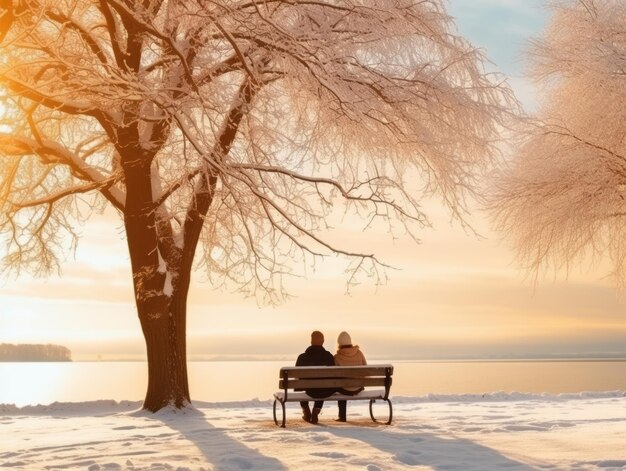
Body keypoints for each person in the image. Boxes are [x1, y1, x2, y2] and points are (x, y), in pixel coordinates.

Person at [295, 330, 336, 424]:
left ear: (311, 341)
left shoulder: (302, 357)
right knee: (323, 385)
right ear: (323, 341)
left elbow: (297, 377)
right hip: (324, 390)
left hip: (308, 389)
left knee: (301, 384)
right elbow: (332, 375)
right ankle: (315, 413)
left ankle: (306, 411)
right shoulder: (328, 356)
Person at [333, 331, 367, 422]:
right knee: (343, 384)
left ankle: (342, 416)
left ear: (339, 343)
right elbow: (366, 368)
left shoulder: (336, 357)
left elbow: (334, 375)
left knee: (341, 385)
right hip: (358, 387)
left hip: (344, 389)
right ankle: (342, 416)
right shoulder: (359, 353)